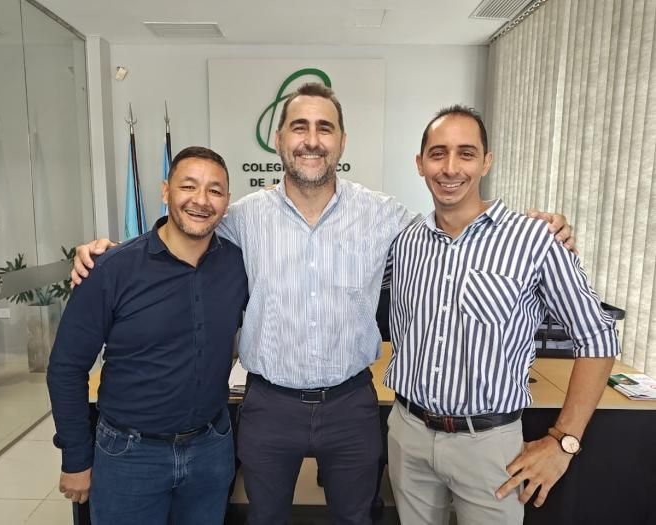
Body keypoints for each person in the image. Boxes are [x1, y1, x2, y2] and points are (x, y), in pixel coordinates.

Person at [71, 84, 573, 525]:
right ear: (279, 139)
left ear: (341, 141)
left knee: (355, 517)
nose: (312, 139)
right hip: (268, 406)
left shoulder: (385, 216)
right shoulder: (242, 219)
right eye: (300, 127)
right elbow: (181, 233)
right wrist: (107, 254)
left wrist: (538, 230)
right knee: (265, 517)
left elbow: (451, 229)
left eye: (324, 128)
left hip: (350, 405)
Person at [384, 105, 619, 525]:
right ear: (420, 164)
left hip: (489, 445)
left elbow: (597, 337)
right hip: (408, 432)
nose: (450, 167)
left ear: (486, 162)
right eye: (437, 154)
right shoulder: (405, 243)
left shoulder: (535, 240)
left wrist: (564, 440)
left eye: (466, 153)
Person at [47, 146, 248, 525]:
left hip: (211, 448)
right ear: (165, 191)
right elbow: (66, 368)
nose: (201, 200)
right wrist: (75, 458)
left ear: (226, 203)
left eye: (215, 191)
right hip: (130, 455)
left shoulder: (237, 265)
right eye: (188, 186)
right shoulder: (111, 269)